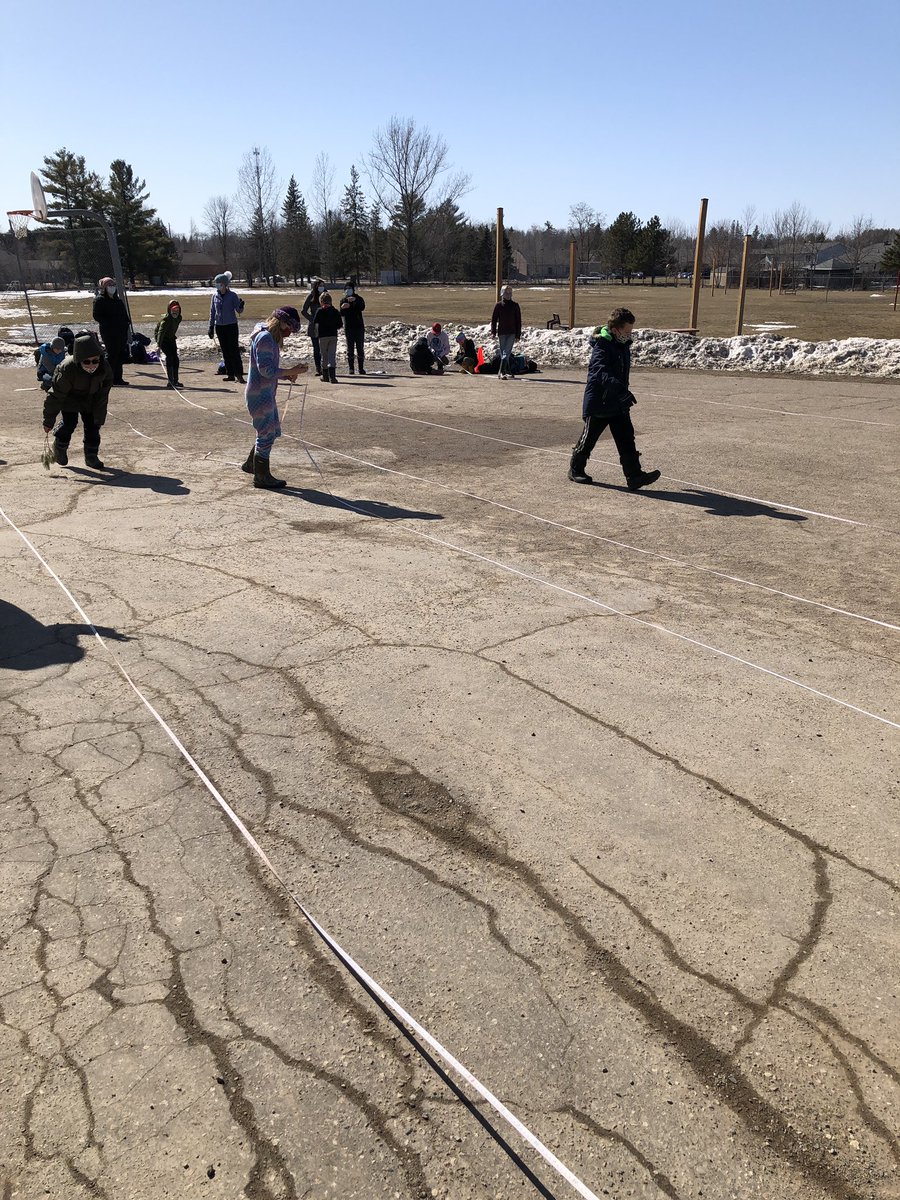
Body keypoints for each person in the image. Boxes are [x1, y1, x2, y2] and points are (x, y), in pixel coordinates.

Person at [568, 307, 660, 491]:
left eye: (631, 331)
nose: (629, 335)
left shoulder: (623, 345)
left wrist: (622, 393)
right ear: (615, 329)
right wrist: (620, 389)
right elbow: (600, 372)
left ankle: (634, 476)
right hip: (599, 402)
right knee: (588, 439)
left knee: (627, 438)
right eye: (627, 331)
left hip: (618, 402)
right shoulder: (601, 346)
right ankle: (575, 468)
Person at [240, 306, 308, 488]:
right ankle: (261, 477)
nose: (290, 334)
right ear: (282, 323)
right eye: (290, 329)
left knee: (270, 430)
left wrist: (287, 374)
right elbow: (266, 370)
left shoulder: (267, 337)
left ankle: (251, 465)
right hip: (259, 394)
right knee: (267, 433)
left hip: (264, 392)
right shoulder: (265, 338)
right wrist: (291, 370)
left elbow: (268, 368)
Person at [42, 331, 113, 470]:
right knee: (69, 423)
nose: (92, 365)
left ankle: (91, 456)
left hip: (91, 398)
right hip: (69, 398)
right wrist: (48, 420)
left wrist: (99, 416)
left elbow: (103, 394)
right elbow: (55, 396)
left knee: (93, 426)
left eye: (95, 361)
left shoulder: (105, 368)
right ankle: (60, 446)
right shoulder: (67, 368)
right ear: (79, 360)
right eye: (87, 362)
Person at [208, 272, 245, 382]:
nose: (217, 285)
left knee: (233, 350)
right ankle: (230, 374)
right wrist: (211, 327)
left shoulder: (232, 295)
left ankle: (239, 375)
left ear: (224, 284)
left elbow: (238, 310)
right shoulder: (214, 296)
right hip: (220, 327)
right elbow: (212, 312)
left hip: (231, 326)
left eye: (218, 283)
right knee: (225, 351)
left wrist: (241, 306)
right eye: (216, 283)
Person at [92, 276, 130, 385]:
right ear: (103, 287)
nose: (112, 287)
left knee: (120, 355)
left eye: (113, 285)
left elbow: (124, 314)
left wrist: (126, 323)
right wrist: (109, 323)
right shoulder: (99, 300)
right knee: (112, 355)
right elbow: (96, 315)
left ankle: (118, 378)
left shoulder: (117, 300)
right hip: (109, 333)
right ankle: (108, 379)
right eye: (109, 285)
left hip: (121, 332)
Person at [490, 284, 522, 379]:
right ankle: (507, 371)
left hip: (512, 332)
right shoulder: (498, 305)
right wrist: (493, 332)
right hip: (502, 332)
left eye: (509, 292)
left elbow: (518, 321)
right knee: (503, 353)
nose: (508, 294)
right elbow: (494, 319)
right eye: (506, 292)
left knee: (506, 352)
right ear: (502, 293)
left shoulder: (515, 306)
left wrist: (518, 334)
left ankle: (502, 372)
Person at [312, 292, 343, 383]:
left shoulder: (320, 311)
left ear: (321, 301)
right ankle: (332, 377)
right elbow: (340, 324)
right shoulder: (335, 311)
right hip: (333, 335)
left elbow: (315, 322)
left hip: (323, 336)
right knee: (331, 355)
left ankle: (325, 376)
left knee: (324, 355)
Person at [301, 279, 327, 378]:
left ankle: (325, 367)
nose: (322, 287)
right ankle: (318, 368)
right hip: (314, 326)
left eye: (323, 285)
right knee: (317, 348)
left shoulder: (326, 296)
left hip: (324, 325)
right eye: (320, 285)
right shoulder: (311, 296)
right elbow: (303, 311)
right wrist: (313, 319)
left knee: (324, 347)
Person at [339, 282, 366, 374]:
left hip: (359, 327)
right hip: (349, 327)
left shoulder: (359, 298)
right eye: (346, 289)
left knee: (360, 348)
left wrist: (354, 301)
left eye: (350, 288)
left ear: (353, 289)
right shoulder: (343, 300)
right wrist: (343, 308)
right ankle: (351, 368)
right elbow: (341, 314)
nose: (348, 290)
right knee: (350, 348)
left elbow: (362, 307)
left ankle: (361, 368)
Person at [155, 299, 182, 387]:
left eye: (177, 310)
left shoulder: (179, 318)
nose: (175, 312)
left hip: (171, 338)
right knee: (170, 357)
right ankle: (170, 381)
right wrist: (158, 346)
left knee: (175, 359)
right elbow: (160, 332)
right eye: (173, 310)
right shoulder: (165, 320)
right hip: (163, 339)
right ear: (169, 310)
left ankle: (176, 380)